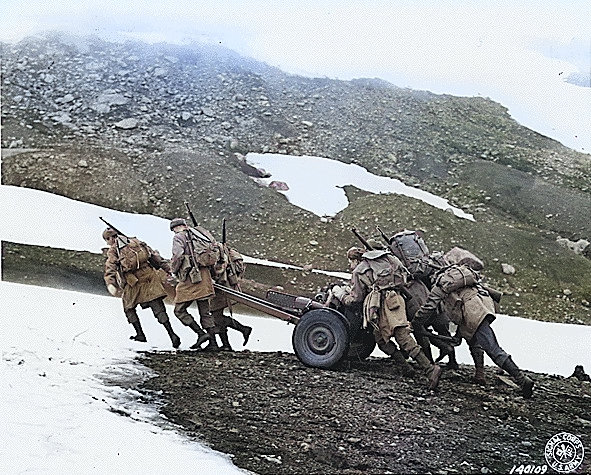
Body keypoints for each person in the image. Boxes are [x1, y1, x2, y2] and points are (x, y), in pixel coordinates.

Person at [413, 263, 534, 398]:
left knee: (493, 349)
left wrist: (416, 323)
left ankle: (522, 380)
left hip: (472, 310)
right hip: (482, 303)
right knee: (475, 337)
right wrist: (458, 334)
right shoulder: (459, 277)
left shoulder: (441, 283)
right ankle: (480, 374)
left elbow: (429, 307)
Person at [332, 246, 442, 390]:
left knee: (403, 337)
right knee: (381, 339)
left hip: (385, 305)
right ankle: (406, 368)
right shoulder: (389, 259)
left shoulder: (359, 271)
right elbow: (403, 278)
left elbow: (355, 299)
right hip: (396, 300)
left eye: (350, 261)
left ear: (355, 260)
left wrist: (340, 294)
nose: (350, 265)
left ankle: (430, 369)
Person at [102, 227, 181, 348]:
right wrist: (167, 269)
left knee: (129, 307)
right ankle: (172, 335)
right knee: (158, 308)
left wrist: (110, 282)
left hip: (133, 282)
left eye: (107, 239)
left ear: (111, 238)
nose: (107, 242)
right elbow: (154, 257)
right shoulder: (136, 242)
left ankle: (140, 334)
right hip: (150, 278)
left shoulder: (114, 250)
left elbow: (110, 266)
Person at [170, 217, 220, 351]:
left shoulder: (179, 237)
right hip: (205, 277)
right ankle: (213, 343)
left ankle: (201, 334)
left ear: (175, 228)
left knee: (179, 310)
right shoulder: (199, 235)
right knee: (205, 312)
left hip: (190, 278)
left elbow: (178, 256)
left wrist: (174, 270)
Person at [209, 243, 252, 351]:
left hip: (222, 288)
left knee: (216, 316)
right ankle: (226, 345)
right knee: (217, 316)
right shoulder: (231, 253)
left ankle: (243, 329)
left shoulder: (219, 254)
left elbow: (217, 271)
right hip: (228, 287)